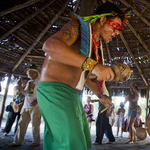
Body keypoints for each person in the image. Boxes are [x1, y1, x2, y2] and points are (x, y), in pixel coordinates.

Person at [37, 1, 132, 150]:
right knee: (73, 144)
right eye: (116, 26)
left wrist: (100, 95)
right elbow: (49, 46)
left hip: (73, 95)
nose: (117, 32)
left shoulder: (93, 44)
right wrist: (93, 65)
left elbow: (84, 75)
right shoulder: (78, 27)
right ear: (102, 20)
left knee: (80, 142)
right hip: (55, 90)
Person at [8, 64, 41, 147]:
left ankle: (36, 141)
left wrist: (36, 100)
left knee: (35, 124)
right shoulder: (29, 82)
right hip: (26, 106)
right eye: (30, 72)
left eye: (33, 72)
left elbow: (43, 93)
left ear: (37, 73)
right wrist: (21, 89)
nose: (31, 74)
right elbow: (27, 94)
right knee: (21, 124)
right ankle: (17, 142)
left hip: (35, 107)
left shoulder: (40, 81)